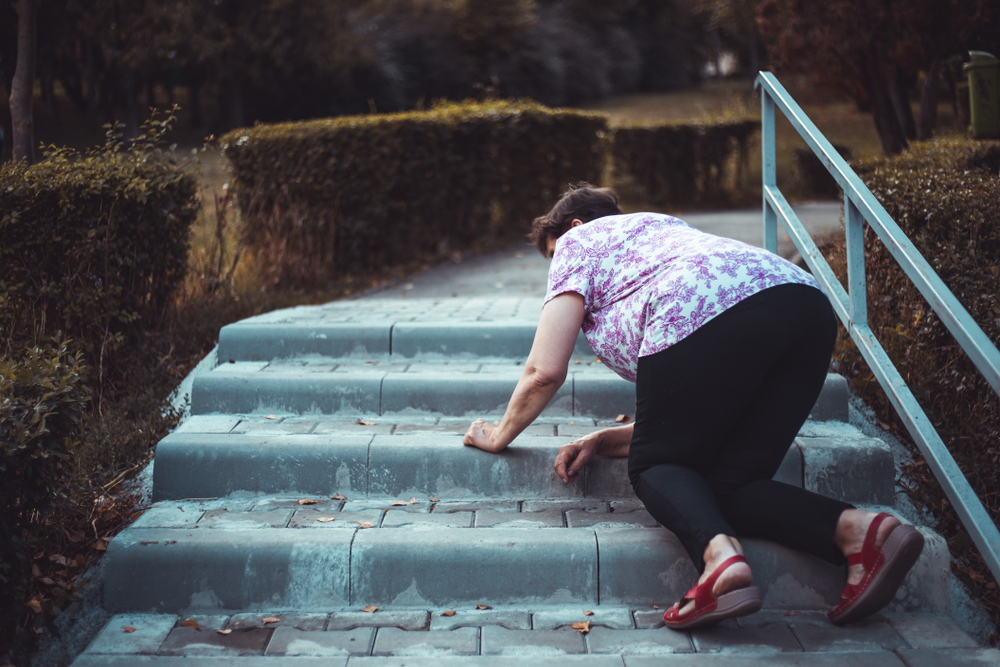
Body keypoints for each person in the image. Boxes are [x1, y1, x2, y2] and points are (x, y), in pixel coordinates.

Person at [463, 183, 924, 629]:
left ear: (576, 225)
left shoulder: (578, 240)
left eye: (551, 255)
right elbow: (700, 412)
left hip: (706, 312)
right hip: (802, 306)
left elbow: (545, 370)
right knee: (728, 484)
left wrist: (499, 433)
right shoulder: (659, 232)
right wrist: (605, 438)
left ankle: (720, 564)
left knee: (655, 466)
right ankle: (864, 533)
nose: (555, 273)